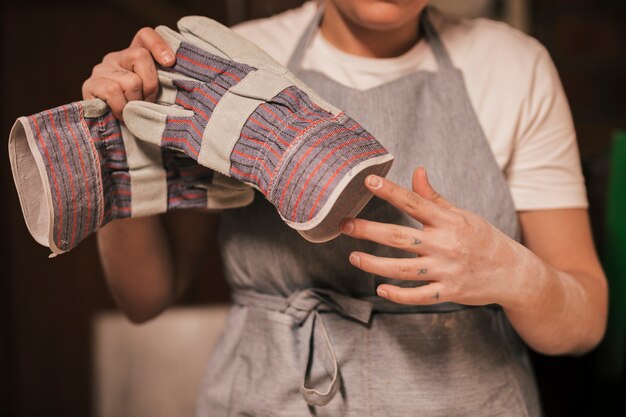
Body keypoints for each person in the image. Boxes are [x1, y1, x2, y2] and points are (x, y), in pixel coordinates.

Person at [82, 0, 608, 415]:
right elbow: (144, 297)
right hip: (266, 400)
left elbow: (585, 320)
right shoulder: (229, 58)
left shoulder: (515, 67)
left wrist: (511, 272)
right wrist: (118, 146)